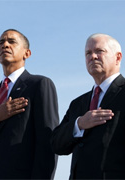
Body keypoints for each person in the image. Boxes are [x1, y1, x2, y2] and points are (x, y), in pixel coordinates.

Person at [0, 29, 59, 179]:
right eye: (1, 43)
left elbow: (47, 142)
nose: (5, 45)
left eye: (12, 42)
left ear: (27, 53)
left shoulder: (39, 84)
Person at [51, 33, 125, 179]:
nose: (93, 57)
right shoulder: (77, 103)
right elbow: (56, 144)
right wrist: (79, 124)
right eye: (88, 53)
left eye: (99, 51)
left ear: (118, 57)